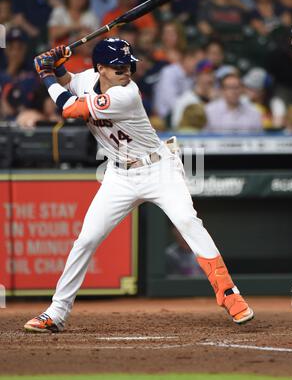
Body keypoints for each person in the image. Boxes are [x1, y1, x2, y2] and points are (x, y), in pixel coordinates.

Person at [24, 37, 254, 332]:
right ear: (101, 69)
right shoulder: (86, 80)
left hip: (159, 169)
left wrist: (45, 74)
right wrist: (57, 67)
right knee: (86, 239)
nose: (127, 71)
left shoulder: (127, 94)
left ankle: (229, 295)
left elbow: (70, 109)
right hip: (118, 176)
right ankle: (56, 312)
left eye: (129, 66)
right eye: (119, 67)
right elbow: (69, 81)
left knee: (188, 220)